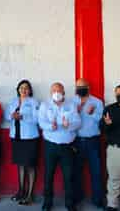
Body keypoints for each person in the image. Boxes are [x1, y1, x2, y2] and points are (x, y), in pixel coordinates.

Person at [39, 82, 81, 211]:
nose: (56, 93)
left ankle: (70, 203)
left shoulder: (71, 105)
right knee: (48, 175)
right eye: (54, 91)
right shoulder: (45, 105)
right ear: (51, 93)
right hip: (50, 145)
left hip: (67, 147)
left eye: (59, 91)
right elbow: (41, 122)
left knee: (69, 176)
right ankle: (47, 202)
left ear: (63, 93)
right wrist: (50, 127)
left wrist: (68, 125)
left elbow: (78, 122)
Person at [4, 80, 39, 205]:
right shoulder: (13, 101)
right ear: (18, 89)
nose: (23, 90)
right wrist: (12, 116)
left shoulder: (34, 102)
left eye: (26, 88)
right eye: (21, 88)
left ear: (29, 90)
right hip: (17, 137)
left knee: (30, 165)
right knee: (20, 164)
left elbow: (37, 119)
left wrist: (24, 117)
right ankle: (21, 191)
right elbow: (6, 116)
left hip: (30, 137)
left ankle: (29, 195)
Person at [71, 78, 104, 208]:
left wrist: (92, 113)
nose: (81, 88)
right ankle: (77, 197)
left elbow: (102, 120)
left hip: (93, 141)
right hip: (76, 141)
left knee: (96, 171)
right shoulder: (71, 102)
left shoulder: (97, 102)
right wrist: (76, 112)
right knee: (76, 171)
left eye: (83, 86)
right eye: (78, 86)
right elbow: (67, 120)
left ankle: (97, 199)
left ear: (88, 88)